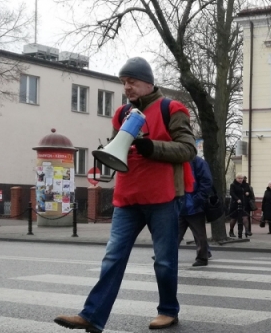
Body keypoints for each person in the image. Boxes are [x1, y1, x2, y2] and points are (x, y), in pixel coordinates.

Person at [54, 57, 196, 332]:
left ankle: (168, 311)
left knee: (164, 260)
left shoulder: (172, 108)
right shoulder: (121, 114)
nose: (127, 87)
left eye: (131, 82)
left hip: (164, 197)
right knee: (113, 257)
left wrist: (151, 147)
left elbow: (188, 149)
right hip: (128, 197)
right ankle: (92, 316)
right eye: (123, 83)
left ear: (147, 82)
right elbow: (117, 149)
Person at [177, 156, 213, 267]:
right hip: (182, 204)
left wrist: (197, 200)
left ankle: (203, 257)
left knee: (199, 234)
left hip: (193, 205)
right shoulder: (181, 161)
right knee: (175, 234)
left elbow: (207, 182)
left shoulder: (198, 162)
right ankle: (165, 254)